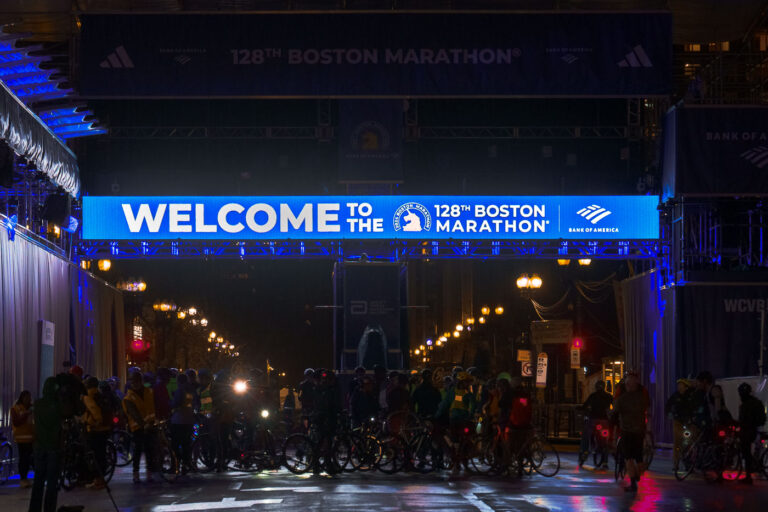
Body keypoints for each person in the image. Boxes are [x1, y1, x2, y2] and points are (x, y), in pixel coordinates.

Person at [612, 372, 650, 493]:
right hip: (639, 430)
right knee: (639, 456)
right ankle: (639, 473)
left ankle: (633, 482)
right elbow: (648, 407)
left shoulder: (622, 399)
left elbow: (614, 412)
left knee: (628, 457)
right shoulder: (642, 397)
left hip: (627, 431)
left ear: (628, 384)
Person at [28, 377, 62, 512]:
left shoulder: (37, 404)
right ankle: (49, 509)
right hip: (53, 447)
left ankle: (34, 509)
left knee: (38, 481)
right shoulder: (58, 405)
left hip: (39, 446)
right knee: (52, 482)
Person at [123, 371, 156, 483]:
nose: (135, 383)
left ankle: (149, 473)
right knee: (137, 451)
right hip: (137, 428)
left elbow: (153, 407)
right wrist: (143, 424)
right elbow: (134, 414)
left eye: (137, 381)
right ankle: (136, 474)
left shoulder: (149, 392)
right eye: (133, 381)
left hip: (150, 426)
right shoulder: (128, 398)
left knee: (149, 450)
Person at [82, 377, 112, 489]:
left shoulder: (88, 396)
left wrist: (96, 422)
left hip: (95, 429)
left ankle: (98, 480)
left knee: (95, 456)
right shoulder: (100, 394)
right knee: (101, 455)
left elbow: (93, 409)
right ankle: (101, 479)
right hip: (105, 428)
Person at [737, 382, 767, 484]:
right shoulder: (756, 403)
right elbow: (762, 419)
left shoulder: (745, 404)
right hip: (754, 430)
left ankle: (748, 475)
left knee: (746, 452)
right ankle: (753, 469)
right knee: (748, 451)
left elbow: (743, 420)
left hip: (748, 431)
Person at [579, 380, 613, 465]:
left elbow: (585, 406)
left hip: (593, 420)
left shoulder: (593, 396)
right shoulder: (608, 396)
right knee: (605, 439)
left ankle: (585, 452)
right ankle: (605, 461)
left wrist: (581, 408)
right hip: (604, 421)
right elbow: (615, 405)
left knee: (586, 435)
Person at [170, 373, 196, 473]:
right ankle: (186, 464)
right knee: (186, 444)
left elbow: (175, 403)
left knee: (175, 444)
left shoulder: (180, 390)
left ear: (178, 381)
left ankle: (176, 464)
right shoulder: (191, 390)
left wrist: (170, 402)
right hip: (189, 419)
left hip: (178, 420)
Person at [665, 379, 693, 470]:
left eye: (681, 385)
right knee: (677, 442)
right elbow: (668, 406)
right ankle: (676, 464)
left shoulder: (690, 396)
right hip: (678, 421)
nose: (679, 387)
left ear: (686, 387)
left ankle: (689, 463)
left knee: (689, 442)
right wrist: (669, 414)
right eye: (679, 385)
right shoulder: (675, 396)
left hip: (688, 422)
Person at [11, 390, 34, 488]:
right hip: (21, 438)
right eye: (26, 397)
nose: (28, 400)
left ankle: (26, 478)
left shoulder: (32, 408)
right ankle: (23, 478)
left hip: (32, 438)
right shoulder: (16, 408)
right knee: (24, 459)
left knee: (30, 459)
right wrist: (26, 414)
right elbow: (16, 422)